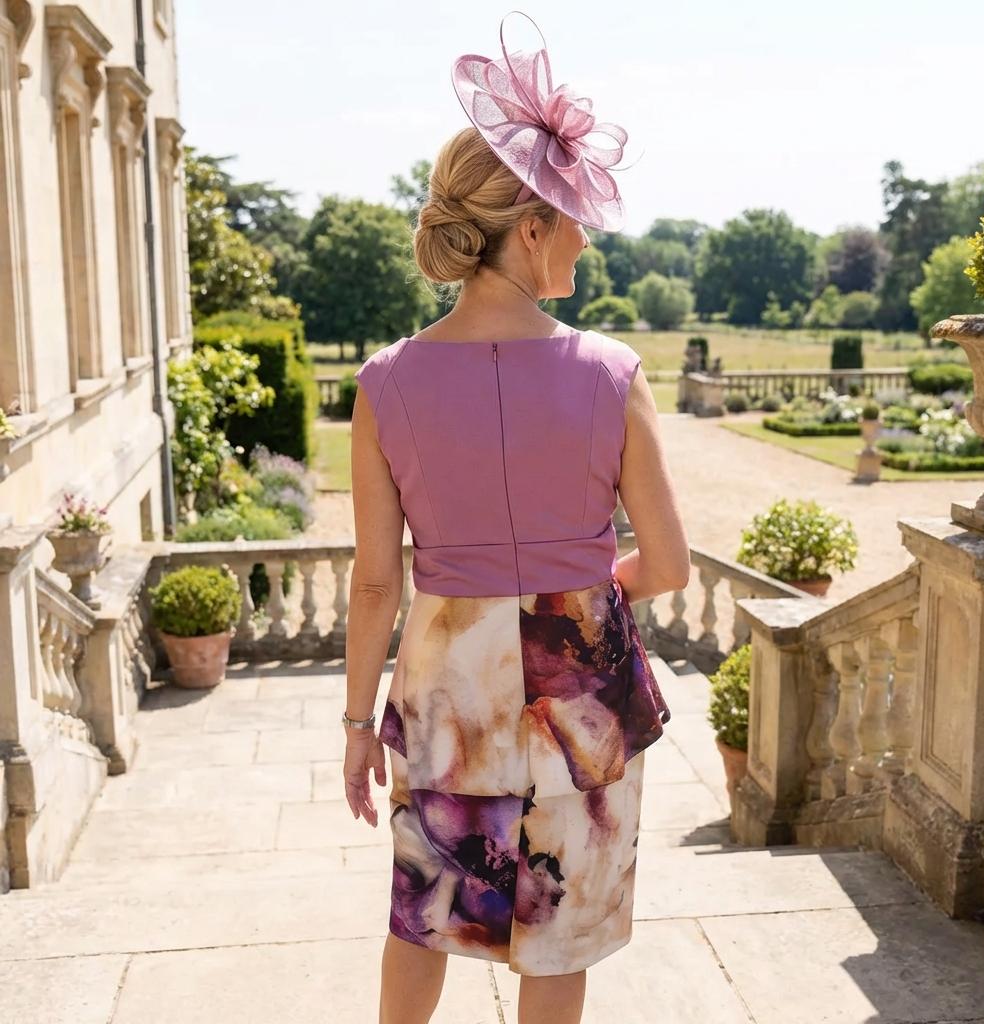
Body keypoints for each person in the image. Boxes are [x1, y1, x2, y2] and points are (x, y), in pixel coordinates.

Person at [343, 13, 691, 1024]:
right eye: (572, 215)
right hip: (577, 682)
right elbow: (665, 563)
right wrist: (583, 593)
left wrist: (359, 725)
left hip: (450, 677)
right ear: (528, 229)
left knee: (428, 911)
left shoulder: (384, 384)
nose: (585, 234)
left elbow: (374, 582)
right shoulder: (613, 375)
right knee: (557, 931)